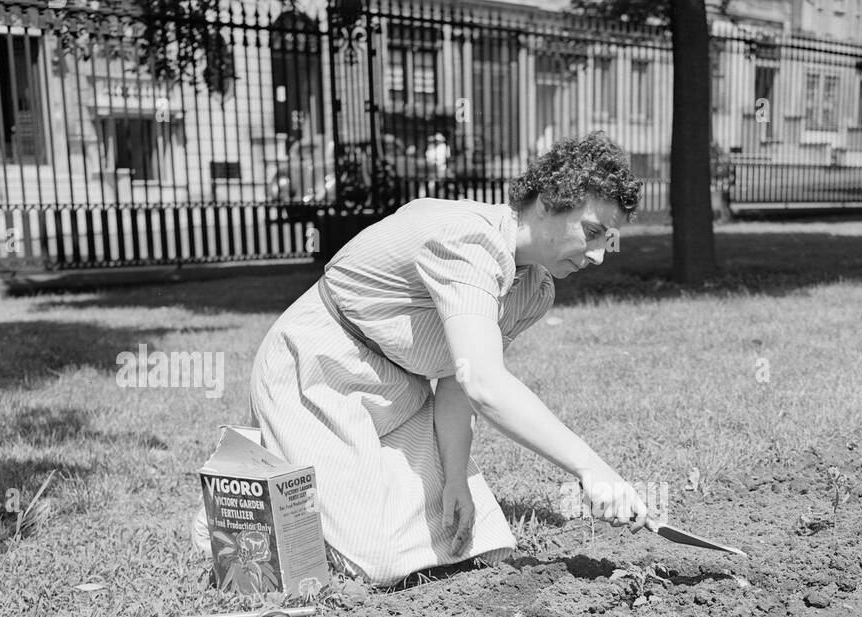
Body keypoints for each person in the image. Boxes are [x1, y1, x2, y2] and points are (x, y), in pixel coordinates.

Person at [192, 131, 649, 585]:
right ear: (548, 203)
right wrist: (592, 468)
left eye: (606, 238)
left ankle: (319, 481)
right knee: (378, 560)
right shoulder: (470, 240)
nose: (598, 255)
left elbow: (459, 381)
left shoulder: (534, 288)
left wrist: (455, 478)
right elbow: (487, 384)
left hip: (397, 393)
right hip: (315, 374)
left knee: (474, 539)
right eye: (591, 232)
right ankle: (247, 505)